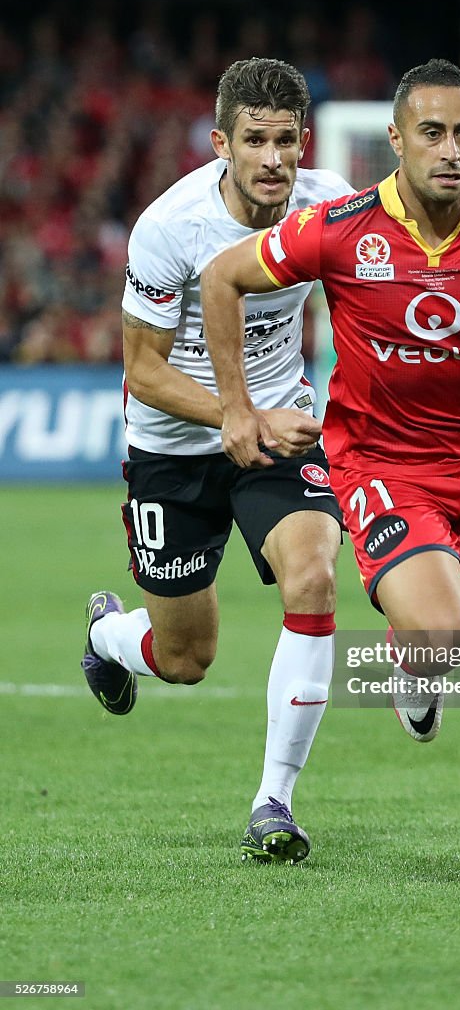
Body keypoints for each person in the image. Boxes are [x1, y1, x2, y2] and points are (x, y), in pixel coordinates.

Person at [201, 59, 460, 867]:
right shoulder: (340, 226)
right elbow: (222, 277)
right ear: (396, 139)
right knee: (441, 635)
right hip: (382, 462)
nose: (450, 150)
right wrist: (236, 408)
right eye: (432, 132)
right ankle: (416, 660)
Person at [81, 58, 353, 866]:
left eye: (285, 142)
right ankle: (110, 638)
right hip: (172, 447)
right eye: (255, 142)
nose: (273, 160)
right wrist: (232, 413)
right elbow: (146, 369)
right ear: (221, 143)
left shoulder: (328, 203)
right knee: (187, 659)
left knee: (314, 578)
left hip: (278, 427)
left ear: (303, 143)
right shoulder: (172, 226)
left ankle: (275, 800)